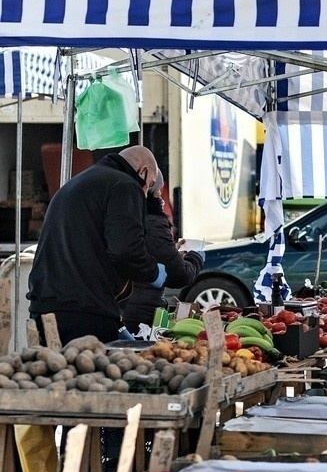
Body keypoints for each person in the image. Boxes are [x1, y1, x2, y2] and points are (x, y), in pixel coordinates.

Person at [28, 145, 167, 343]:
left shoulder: (78, 182)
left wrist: (117, 325)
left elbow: (90, 249)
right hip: (83, 314)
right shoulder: (125, 185)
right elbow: (126, 251)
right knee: (89, 373)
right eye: (149, 184)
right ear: (142, 171)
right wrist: (153, 272)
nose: (145, 194)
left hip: (44, 307)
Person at [121, 170, 204, 336]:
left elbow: (147, 252)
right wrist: (196, 257)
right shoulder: (154, 222)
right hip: (141, 311)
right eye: (158, 189)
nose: (160, 195)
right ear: (150, 188)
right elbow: (178, 275)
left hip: (122, 307)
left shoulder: (124, 215)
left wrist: (173, 251)